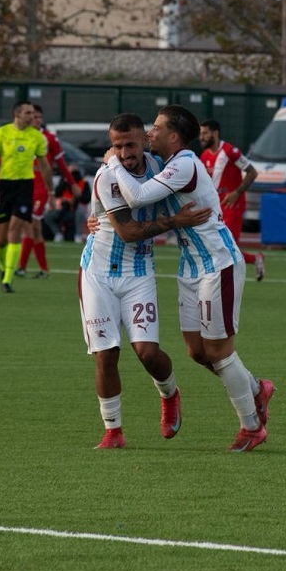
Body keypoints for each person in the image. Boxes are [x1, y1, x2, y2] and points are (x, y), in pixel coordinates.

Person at [105, 105, 275, 452]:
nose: (150, 132)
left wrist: (112, 162)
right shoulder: (165, 163)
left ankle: (251, 427)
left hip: (217, 263)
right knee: (197, 352)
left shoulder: (185, 164)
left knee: (219, 351)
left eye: (156, 127)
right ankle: (256, 389)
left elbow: (136, 195)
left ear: (174, 136)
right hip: (190, 267)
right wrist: (98, 218)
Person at [82, 113, 212, 448]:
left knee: (148, 352)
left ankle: (169, 394)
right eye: (117, 146)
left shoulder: (159, 167)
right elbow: (127, 232)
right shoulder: (107, 176)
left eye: (130, 144)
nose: (124, 153)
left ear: (144, 140)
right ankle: (113, 432)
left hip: (139, 273)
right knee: (106, 354)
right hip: (98, 274)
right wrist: (175, 221)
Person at [0, 101, 53, 293]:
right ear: (17, 114)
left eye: (33, 113)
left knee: (15, 229)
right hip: (4, 186)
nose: (32, 117)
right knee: (1, 238)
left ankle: (8, 278)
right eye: (28, 113)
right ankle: (3, 267)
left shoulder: (37, 137)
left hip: (25, 186)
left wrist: (51, 192)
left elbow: (45, 166)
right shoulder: (2, 133)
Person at [198, 119, 265, 280]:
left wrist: (237, 192)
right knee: (220, 246)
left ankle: (227, 278)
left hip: (233, 206)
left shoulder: (230, 151)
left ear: (215, 133)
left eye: (205, 133)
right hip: (216, 208)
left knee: (227, 247)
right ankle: (254, 259)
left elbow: (252, 172)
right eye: (201, 134)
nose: (202, 137)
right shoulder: (204, 156)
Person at [17, 103, 76, 279]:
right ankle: (41, 269)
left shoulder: (49, 138)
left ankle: (22, 267)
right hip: (23, 187)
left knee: (31, 225)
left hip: (41, 188)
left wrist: (72, 183)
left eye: (38, 117)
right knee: (33, 229)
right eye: (33, 116)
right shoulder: (22, 136)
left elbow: (62, 164)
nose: (36, 119)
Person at [44, 167, 91, 242]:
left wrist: (76, 199)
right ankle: (58, 234)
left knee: (80, 212)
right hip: (63, 209)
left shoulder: (84, 183)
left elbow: (86, 199)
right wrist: (65, 183)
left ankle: (78, 235)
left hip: (77, 209)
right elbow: (56, 193)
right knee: (48, 216)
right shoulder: (63, 181)